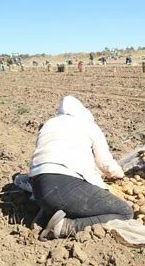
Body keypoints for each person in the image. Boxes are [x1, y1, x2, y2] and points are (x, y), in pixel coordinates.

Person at [28, 95, 133, 240]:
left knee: (68, 198)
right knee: (124, 212)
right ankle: (66, 227)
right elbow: (106, 164)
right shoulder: (87, 124)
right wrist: (119, 175)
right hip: (64, 184)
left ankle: (45, 215)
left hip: (38, 186)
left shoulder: (49, 123)